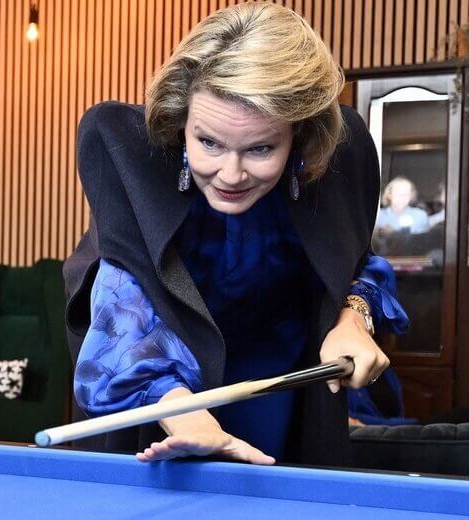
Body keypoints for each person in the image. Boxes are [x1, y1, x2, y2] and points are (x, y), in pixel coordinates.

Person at [64, 3, 408, 467]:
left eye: (261, 148)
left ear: (299, 138)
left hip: (285, 389)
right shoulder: (132, 162)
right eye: (208, 142)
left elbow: (357, 265)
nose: (230, 174)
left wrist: (354, 318)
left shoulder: (339, 163)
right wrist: (189, 420)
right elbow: (124, 310)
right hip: (169, 398)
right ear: (183, 119)